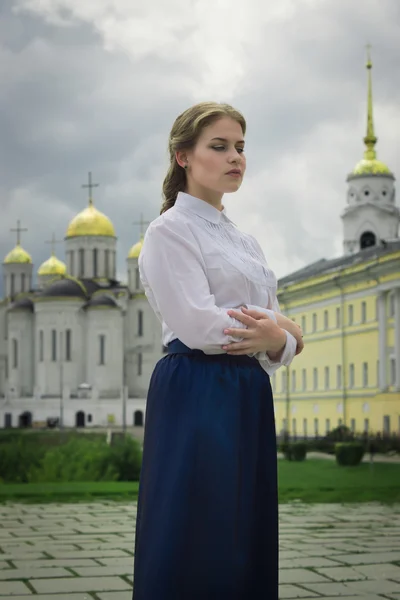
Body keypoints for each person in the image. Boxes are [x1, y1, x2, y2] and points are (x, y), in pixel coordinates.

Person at [132, 101, 303, 600]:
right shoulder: (169, 231)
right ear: (183, 156)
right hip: (198, 384)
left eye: (241, 148)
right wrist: (281, 330)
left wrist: (280, 335)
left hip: (247, 389)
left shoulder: (246, 242)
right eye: (220, 146)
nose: (236, 158)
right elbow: (201, 323)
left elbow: (274, 332)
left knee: (243, 524)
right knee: (198, 521)